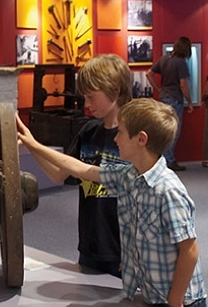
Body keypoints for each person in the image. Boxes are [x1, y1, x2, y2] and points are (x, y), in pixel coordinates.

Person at [16, 98, 208, 307]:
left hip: (181, 302)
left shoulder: (168, 191)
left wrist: (175, 300)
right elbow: (81, 169)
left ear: (141, 139)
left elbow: (189, 250)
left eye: (121, 132)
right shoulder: (128, 176)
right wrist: (34, 144)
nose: (116, 138)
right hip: (152, 295)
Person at [25, 54, 132, 277]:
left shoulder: (135, 137)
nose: (87, 104)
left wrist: (135, 249)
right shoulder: (89, 131)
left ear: (115, 90)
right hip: (90, 246)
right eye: (85, 97)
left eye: (92, 97)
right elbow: (58, 175)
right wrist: (31, 146)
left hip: (124, 253)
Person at [146, 36, 194, 171]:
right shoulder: (181, 62)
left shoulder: (164, 59)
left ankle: (163, 160)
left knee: (164, 130)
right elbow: (183, 84)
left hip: (163, 98)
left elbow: (149, 74)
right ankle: (169, 160)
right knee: (174, 131)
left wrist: (158, 88)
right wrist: (189, 101)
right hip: (175, 99)